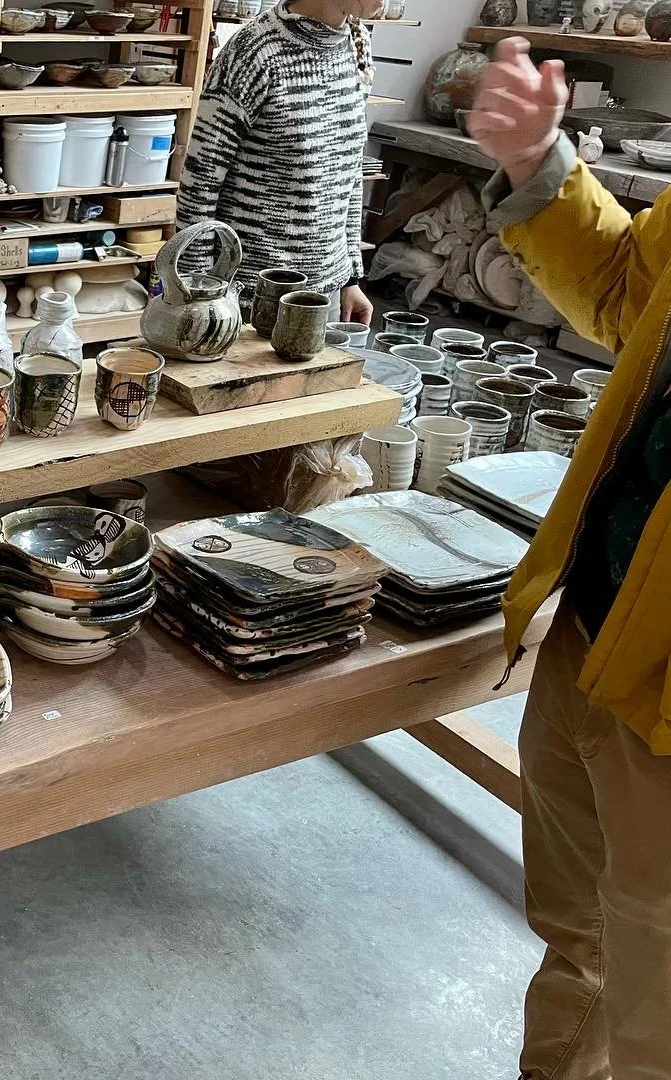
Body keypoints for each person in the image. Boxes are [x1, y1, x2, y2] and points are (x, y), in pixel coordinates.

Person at [469, 37, 671, 1080]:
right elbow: (636, 298)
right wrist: (539, 163)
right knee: (579, 940)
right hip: (598, 626)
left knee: (658, 1021)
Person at [175, 0, 380, 323]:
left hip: (324, 298)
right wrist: (196, 296)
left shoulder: (357, 42)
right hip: (247, 301)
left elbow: (348, 169)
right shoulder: (254, 51)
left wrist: (350, 277)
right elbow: (199, 184)